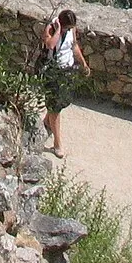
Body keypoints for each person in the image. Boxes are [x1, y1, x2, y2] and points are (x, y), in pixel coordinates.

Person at [38, 8, 88, 159]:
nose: (69, 30)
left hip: (66, 71)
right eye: (67, 27)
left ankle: (47, 121)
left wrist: (84, 64)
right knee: (55, 108)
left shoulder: (71, 31)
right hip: (53, 72)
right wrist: (58, 30)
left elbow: (74, 46)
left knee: (61, 102)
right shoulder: (51, 28)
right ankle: (57, 144)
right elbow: (50, 45)